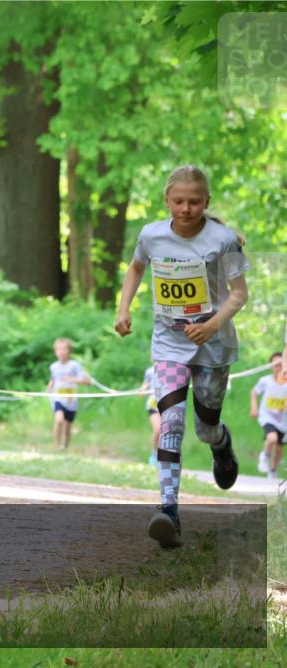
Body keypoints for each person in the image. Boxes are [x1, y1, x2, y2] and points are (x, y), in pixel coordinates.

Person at [115, 165, 249, 549]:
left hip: (213, 346)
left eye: (194, 201)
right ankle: (168, 511)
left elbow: (239, 294)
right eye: (178, 201)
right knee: (169, 422)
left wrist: (211, 324)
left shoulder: (223, 240)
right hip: (169, 344)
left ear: (206, 201)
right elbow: (137, 266)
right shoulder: (152, 235)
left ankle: (221, 446)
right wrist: (123, 308)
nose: (186, 208)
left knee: (205, 428)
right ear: (166, 201)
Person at [46, 338, 90, 450]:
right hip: (58, 399)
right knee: (59, 419)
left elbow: (86, 381)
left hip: (71, 400)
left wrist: (72, 379)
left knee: (67, 426)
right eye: (58, 349)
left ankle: (65, 447)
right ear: (55, 351)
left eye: (64, 349)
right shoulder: (53, 367)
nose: (61, 352)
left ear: (69, 351)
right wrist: (50, 387)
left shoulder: (74, 365)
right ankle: (56, 445)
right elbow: (53, 380)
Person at [252, 352, 285, 480]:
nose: (279, 367)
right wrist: (254, 407)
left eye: (281, 364)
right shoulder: (265, 381)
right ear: (271, 366)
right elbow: (254, 392)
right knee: (272, 438)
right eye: (276, 365)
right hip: (267, 417)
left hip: (283, 420)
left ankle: (272, 470)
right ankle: (265, 456)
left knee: (278, 449)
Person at [142, 363, 161, 466]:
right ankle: (154, 454)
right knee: (158, 430)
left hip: (168, 403)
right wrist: (143, 390)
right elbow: (143, 388)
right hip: (153, 405)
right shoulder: (150, 371)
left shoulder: (172, 368)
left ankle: (166, 455)